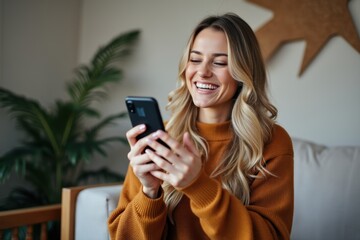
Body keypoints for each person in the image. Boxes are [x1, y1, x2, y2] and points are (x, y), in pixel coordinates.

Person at [108, 12, 294, 240]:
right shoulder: (161, 137)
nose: (203, 72)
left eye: (219, 62)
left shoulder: (271, 141)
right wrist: (149, 192)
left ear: (243, 73)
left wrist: (198, 185)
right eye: (195, 59)